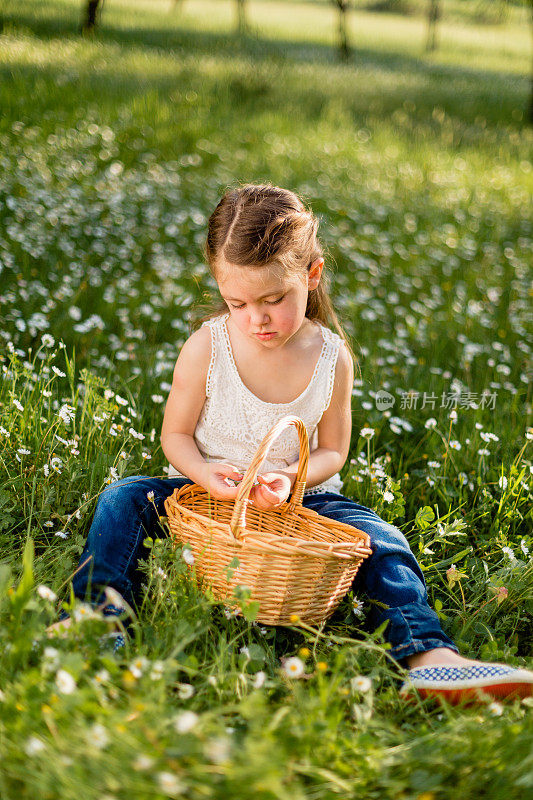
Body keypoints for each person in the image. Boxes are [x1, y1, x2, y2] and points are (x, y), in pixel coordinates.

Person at [48, 183, 532, 704]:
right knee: (122, 498)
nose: (257, 318)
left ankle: (429, 657)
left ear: (312, 275)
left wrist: (293, 477)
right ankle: (98, 620)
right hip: (206, 491)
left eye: (274, 300)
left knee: (382, 538)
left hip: (304, 500)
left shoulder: (331, 358)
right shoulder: (207, 347)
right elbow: (176, 435)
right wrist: (205, 474)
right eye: (238, 302)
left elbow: (332, 452)